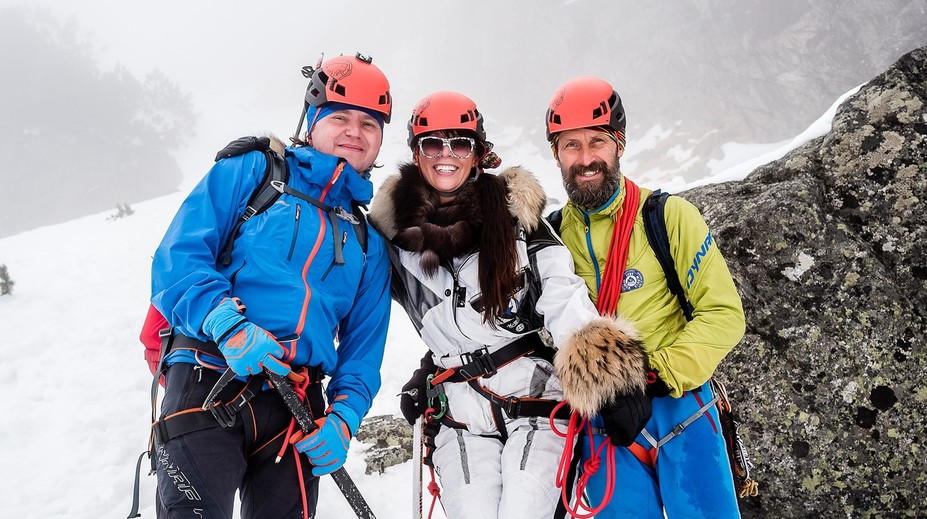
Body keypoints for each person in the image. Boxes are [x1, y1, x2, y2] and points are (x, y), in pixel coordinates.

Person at [368, 91, 645, 519]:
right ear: (415, 152)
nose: (447, 155)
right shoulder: (391, 240)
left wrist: (608, 379)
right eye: (432, 143)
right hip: (458, 412)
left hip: (535, 403)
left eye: (460, 143)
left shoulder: (517, 222)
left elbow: (562, 294)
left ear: (478, 154)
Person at [148, 53, 393, 519]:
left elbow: (364, 348)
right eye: (340, 116)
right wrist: (226, 323)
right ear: (312, 120)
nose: (353, 132)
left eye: (369, 123)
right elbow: (177, 256)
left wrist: (341, 421)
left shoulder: (368, 240)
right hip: (209, 373)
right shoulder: (254, 172)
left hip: (297, 406)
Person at [544, 75, 747, 518]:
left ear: (620, 143)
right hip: (605, 429)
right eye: (571, 145)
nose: (585, 158)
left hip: (682, 411)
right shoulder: (551, 240)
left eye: (597, 141)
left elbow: (724, 314)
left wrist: (651, 378)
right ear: (556, 153)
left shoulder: (667, 217)